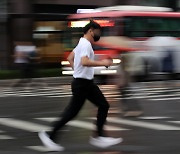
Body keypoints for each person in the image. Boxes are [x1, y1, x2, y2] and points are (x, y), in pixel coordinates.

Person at [38, 20, 123, 151]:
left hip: (85, 82)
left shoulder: (81, 43)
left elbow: (70, 58)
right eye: (98, 32)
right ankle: (49, 135)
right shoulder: (86, 44)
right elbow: (84, 61)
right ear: (91, 31)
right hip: (82, 84)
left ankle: (99, 137)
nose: (98, 34)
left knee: (103, 105)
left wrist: (77, 71)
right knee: (72, 112)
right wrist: (103, 62)